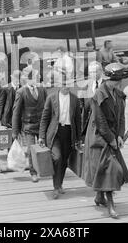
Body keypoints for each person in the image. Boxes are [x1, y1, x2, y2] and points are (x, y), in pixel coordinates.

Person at [83, 63, 128, 219]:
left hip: (111, 136)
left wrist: (120, 136)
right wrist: (111, 140)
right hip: (99, 137)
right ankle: (110, 205)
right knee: (110, 169)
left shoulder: (119, 95)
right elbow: (100, 121)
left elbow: (122, 117)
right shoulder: (99, 95)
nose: (119, 83)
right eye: (117, 80)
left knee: (104, 169)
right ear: (111, 79)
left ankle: (99, 197)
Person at [38, 69, 81, 199]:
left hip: (69, 133)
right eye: (63, 84)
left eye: (68, 84)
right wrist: (41, 136)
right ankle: (56, 187)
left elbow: (78, 120)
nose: (65, 86)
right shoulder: (51, 98)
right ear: (59, 84)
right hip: (55, 133)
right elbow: (45, 118)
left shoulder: (75, 99)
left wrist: (78, 139)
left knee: (64, 161)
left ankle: (60, 183)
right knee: (57, 158)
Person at [12, 68, 47, 183]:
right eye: (34, 78)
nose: (36, 80)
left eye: (37, 78)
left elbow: (47, 108)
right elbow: (16, 112)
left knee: (44, 147)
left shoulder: (42, 90)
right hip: (28, 126)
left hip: (42, 125)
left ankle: (45, 169)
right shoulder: (21, 92)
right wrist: (15, 131)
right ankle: (33, 172)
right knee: (31, 149)